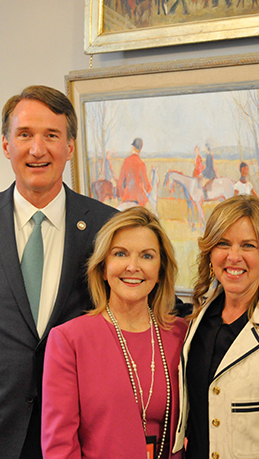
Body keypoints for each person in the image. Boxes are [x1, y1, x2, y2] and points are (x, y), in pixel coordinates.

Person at [0, 85, 116, 459]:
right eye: (25, 135)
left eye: (51, 135)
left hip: (77, 435)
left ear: (70, 146)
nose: (37, 149)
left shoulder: (107, 228)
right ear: (5, 145)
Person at [173, 195, 259, 459]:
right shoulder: (198, 320)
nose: (233, 257)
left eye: (248, 245)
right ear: (210, 253)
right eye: (223, 244)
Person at [42, 207, 187, 458]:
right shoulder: (69, 340)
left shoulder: (181, 334)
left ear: (161, 270)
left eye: (147, 256)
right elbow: (59, 446)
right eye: (120, 254)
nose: (133, 266)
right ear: (103, 267)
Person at [118, 137, 152, 206]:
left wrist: (123, 197)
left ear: (133, 147)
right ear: (140, 149)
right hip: (139, 200)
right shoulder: (141, 164)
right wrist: (150, 187)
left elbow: (120, 183)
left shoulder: (126, 161)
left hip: (126, 197)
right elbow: (146, 186)